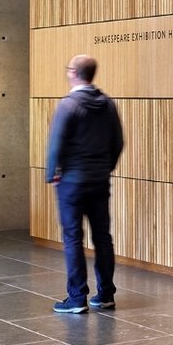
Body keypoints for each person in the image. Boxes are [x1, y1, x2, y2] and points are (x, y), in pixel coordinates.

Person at [46, 54, 124, 314]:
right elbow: (118, 142)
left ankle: (77, 297)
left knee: (72, 239)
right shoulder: (108, 104)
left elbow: (56, 143)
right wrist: (106, 167)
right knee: (103, 237)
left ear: (73, 73)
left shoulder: (68, 105)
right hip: (99, 180)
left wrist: (52, 173)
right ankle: (106, 294)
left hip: (72, 182)